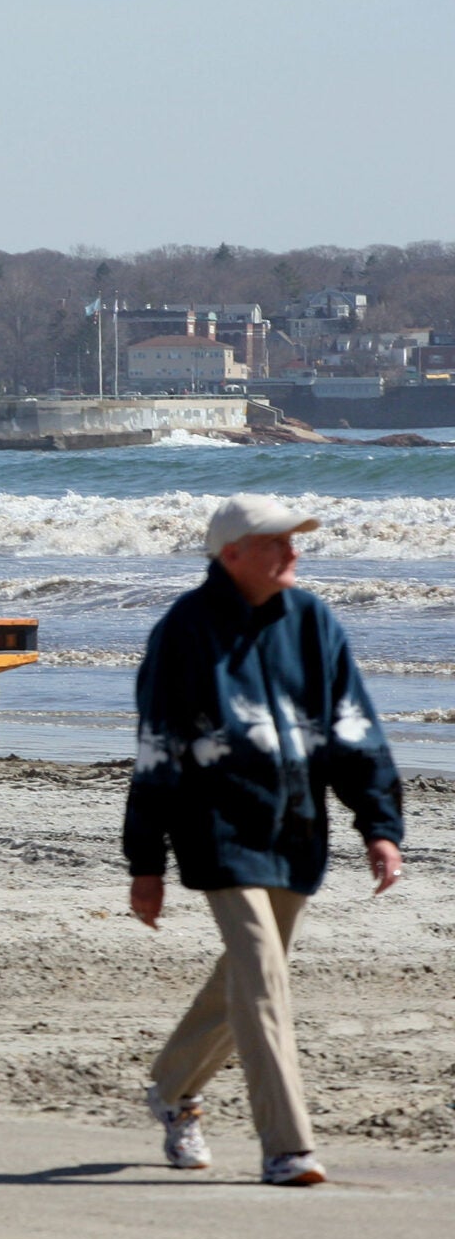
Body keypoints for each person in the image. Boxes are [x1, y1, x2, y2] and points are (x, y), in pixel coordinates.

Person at [126, 493, 404, 1187]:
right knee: (264, 977)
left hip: (297, 828)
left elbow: (353, 727)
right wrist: (146, 862)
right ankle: (287, 1145)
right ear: (233, 555)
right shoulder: (183, 631)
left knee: (253, 975)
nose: (293, 553)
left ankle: (171, 1087)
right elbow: (156, 749)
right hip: (215, 828)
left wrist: (379, 825)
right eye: (278, 542)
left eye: (295, 540)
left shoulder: (312, 622)